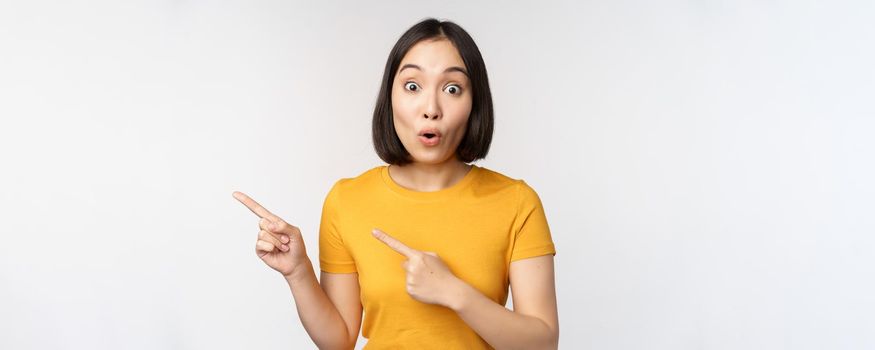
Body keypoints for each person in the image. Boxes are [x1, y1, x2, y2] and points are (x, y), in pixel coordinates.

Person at [233, 18, 558, 349]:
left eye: (452, 89)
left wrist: (454, 293)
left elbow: (543, 344)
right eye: (413, 86)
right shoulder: (347, 200)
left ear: (475, 103)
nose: (431, 109)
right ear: (390, 98)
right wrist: (298, 272)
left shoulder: (517, 202)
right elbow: (339, 341)